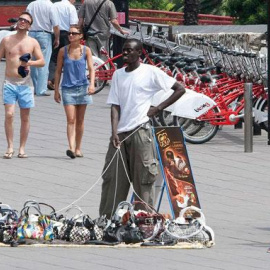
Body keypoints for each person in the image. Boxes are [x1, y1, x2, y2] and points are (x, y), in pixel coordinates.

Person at [99, 39, 186, 217]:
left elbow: (179, 89)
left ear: (139, 53)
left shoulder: (150, 72)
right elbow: (115, 105)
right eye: (123, 51)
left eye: (129, 51)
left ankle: (143, 220)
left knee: (143, 179)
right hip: (121, 134)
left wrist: (157, 108)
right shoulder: (118, 75)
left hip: (141, 131)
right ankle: (108, 219)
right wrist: (114, 132)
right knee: (113, 179)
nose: (125, 54)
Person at [0, 12, 45, 159]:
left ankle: (22, 148)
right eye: (20, 19)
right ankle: (10, 146)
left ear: (29, 26)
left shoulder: (32, 42)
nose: (22, 22)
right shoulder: (6, 40)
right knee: (9, 114)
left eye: (25, 21)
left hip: (26, 84)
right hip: (9, 82)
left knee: (25, 117)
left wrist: (29, 63)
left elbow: (42, 61)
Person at [54, 25, 95, 159]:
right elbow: (58, 70)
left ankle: (78, 148)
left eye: (74, 33)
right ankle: (71, 147)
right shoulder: (63, 51)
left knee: (80, 120)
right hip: (67, 88)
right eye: (69, 33)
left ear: (81, 36)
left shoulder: (86, 50)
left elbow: (91, 68)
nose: (70, 35)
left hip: (83, 87)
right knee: (71, 119)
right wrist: (56, 90)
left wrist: (92, 85)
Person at [26, 0, 60, 96]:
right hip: (44, 34)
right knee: (43, 62)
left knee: (33, 62)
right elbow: (55, 24)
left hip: (31, 33)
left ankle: (36, 87)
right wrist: (57, 38)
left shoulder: (31, 4)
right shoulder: (50, 5)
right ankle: (41, 89)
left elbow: (26, 20)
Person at [47, 0, 79, 91]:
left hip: (54, 34)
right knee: (68, 57)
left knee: (54, 58)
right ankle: (70, 80)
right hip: (67, 34)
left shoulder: (54, 5)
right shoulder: (70, 7)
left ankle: (51, 79)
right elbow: (73, 23)